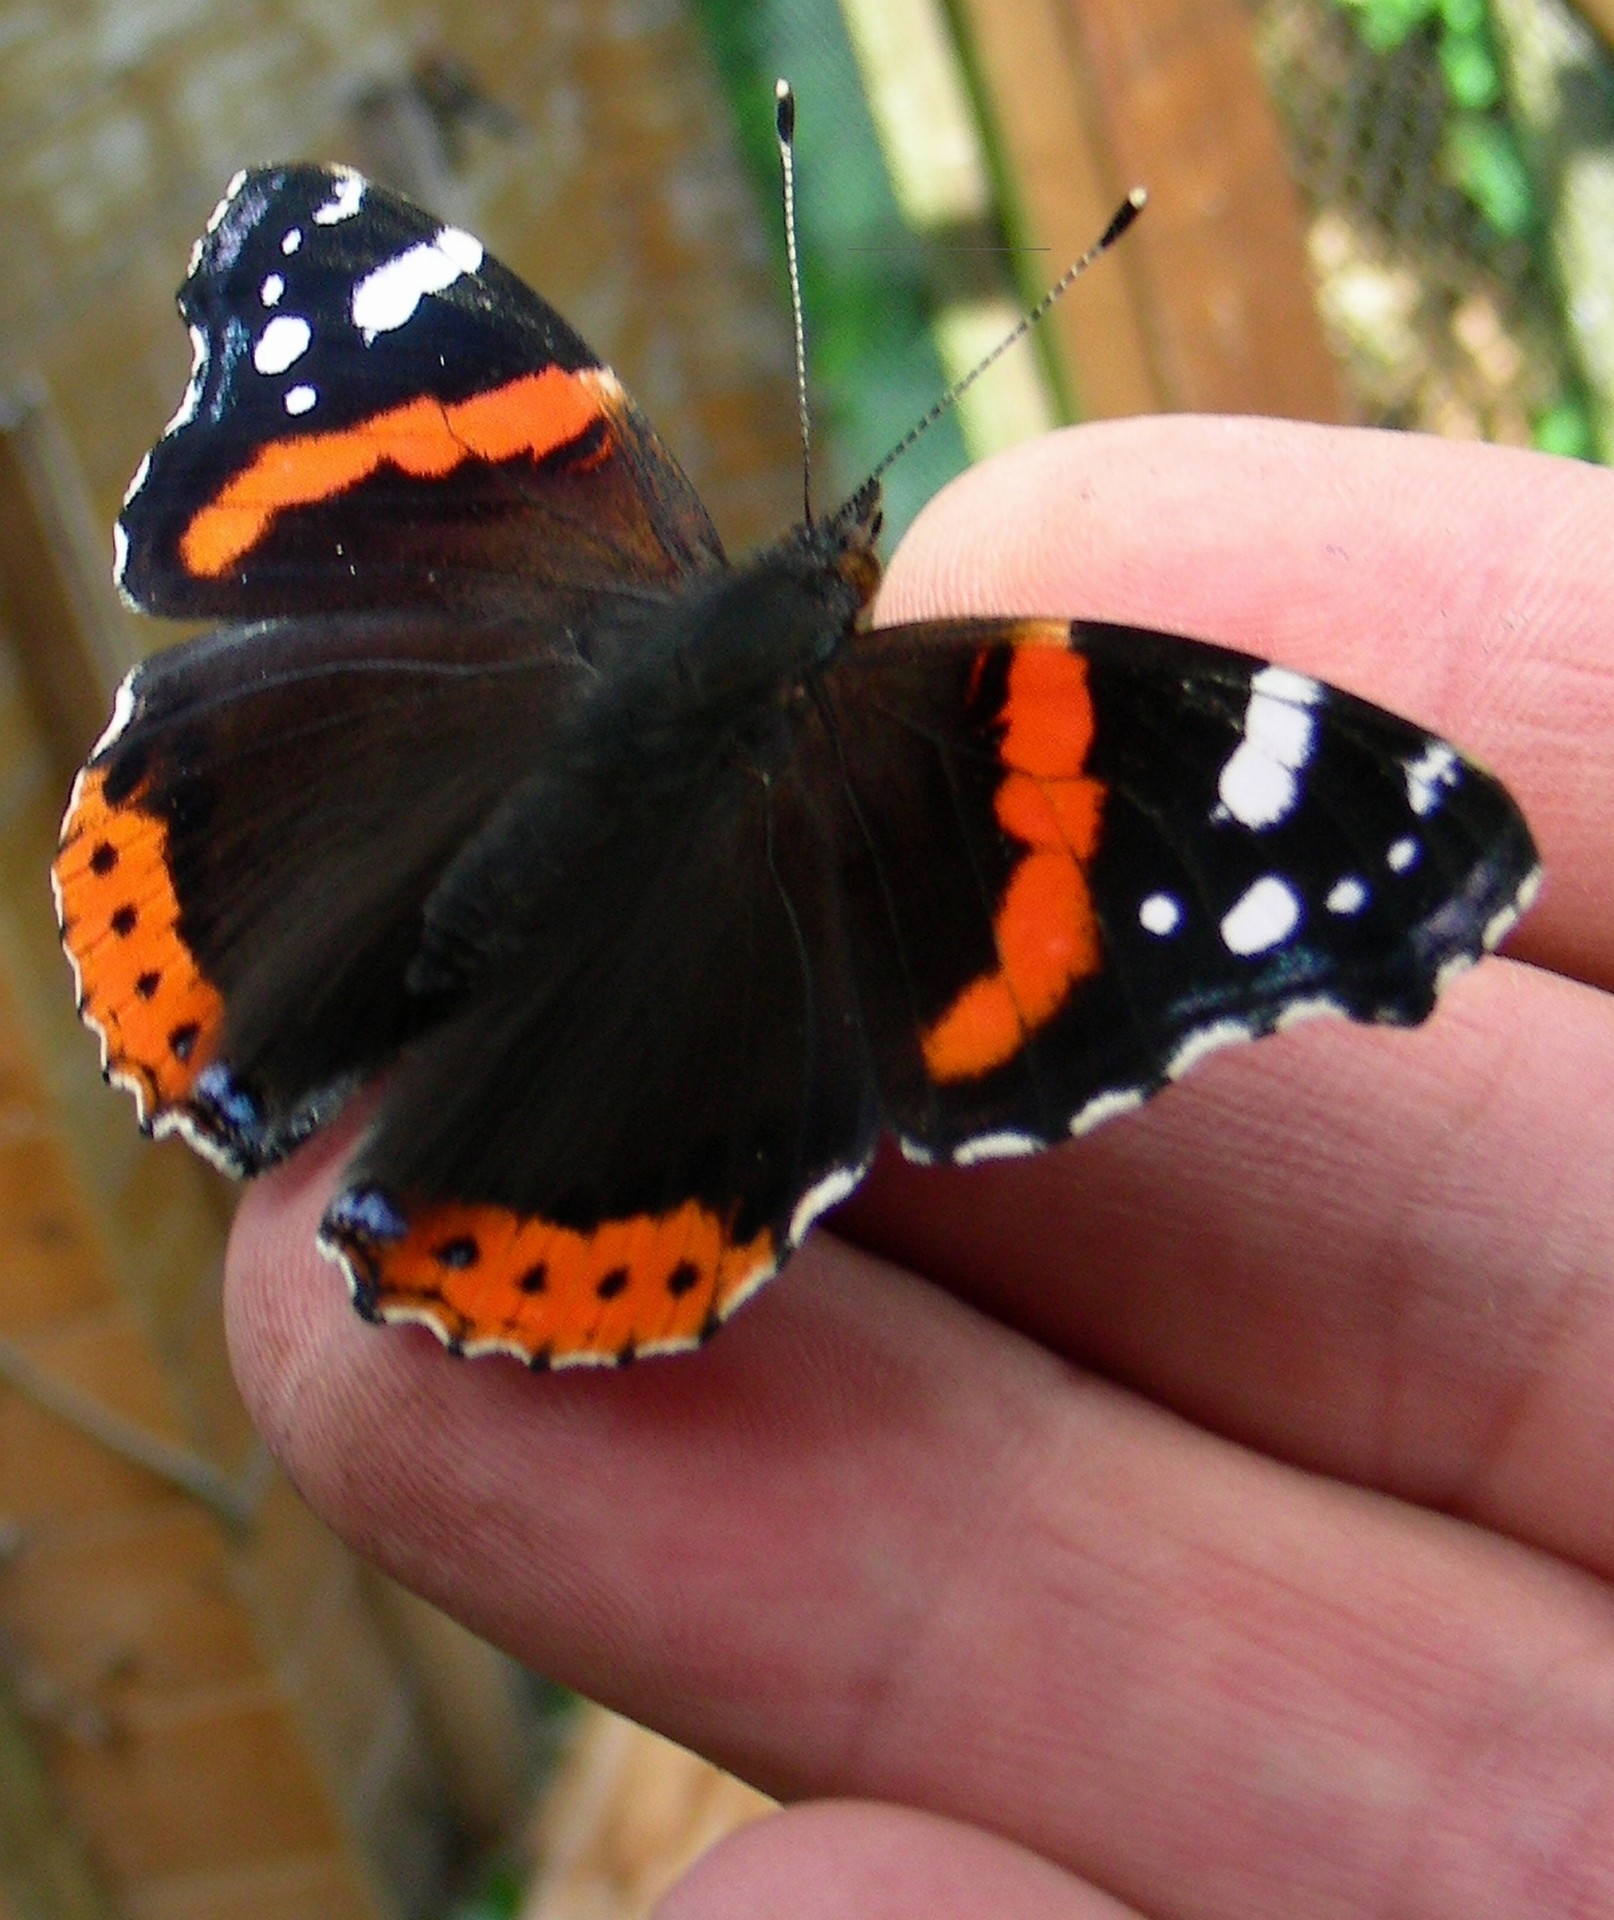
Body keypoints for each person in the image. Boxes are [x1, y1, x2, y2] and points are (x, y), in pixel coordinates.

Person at [225, 416, 1614, 1919]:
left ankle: (258, 1030)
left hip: (428, 839)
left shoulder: (583, 491)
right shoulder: (992, 721)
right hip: (627, 948)